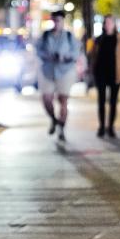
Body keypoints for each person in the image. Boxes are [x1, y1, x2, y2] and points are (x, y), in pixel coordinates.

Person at [35, 9, 80, 142]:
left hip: (65, 71)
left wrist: (65, 57)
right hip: (48, 70)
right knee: (46, 99)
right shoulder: (45, 36)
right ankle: (54, 120)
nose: (56, 23)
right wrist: (47, 56)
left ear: (62, 21)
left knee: (63, 101)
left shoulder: (69, 36)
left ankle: (61, 128)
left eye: (59, 20)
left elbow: (76, 53)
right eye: (54, 20)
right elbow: (38, 50)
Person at [88, 15, 120, 138]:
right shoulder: (98, 39)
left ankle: (111, 127)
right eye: (106, 23)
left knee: (113, 102)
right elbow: (92, 55)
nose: (108, 25)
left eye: (110, 23)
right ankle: (101, 126)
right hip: (100, 73)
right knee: (101, 101)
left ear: (114, 24)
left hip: (115, 74)